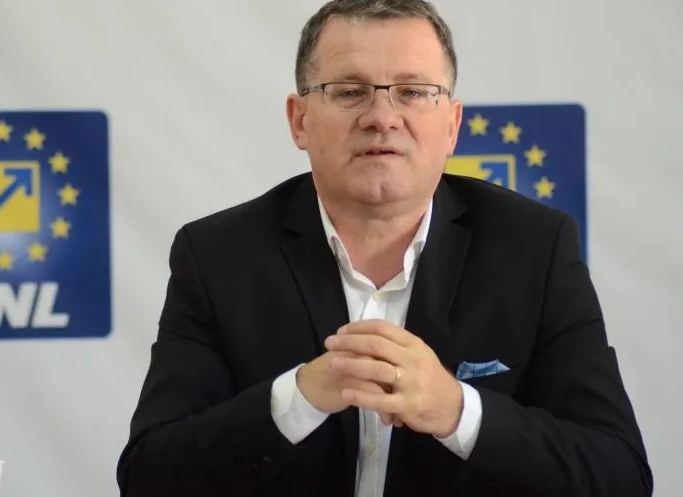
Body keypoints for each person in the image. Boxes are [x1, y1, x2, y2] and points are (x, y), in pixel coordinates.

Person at [116, 1, 653, 495]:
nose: (381, 116)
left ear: (452, 125)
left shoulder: (534, 248)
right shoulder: (217, 256)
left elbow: (618, 474)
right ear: (300, 120)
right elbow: (149, 477)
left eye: (413, 92)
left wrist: (456, 411)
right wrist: (298, 399)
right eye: (350, 91)